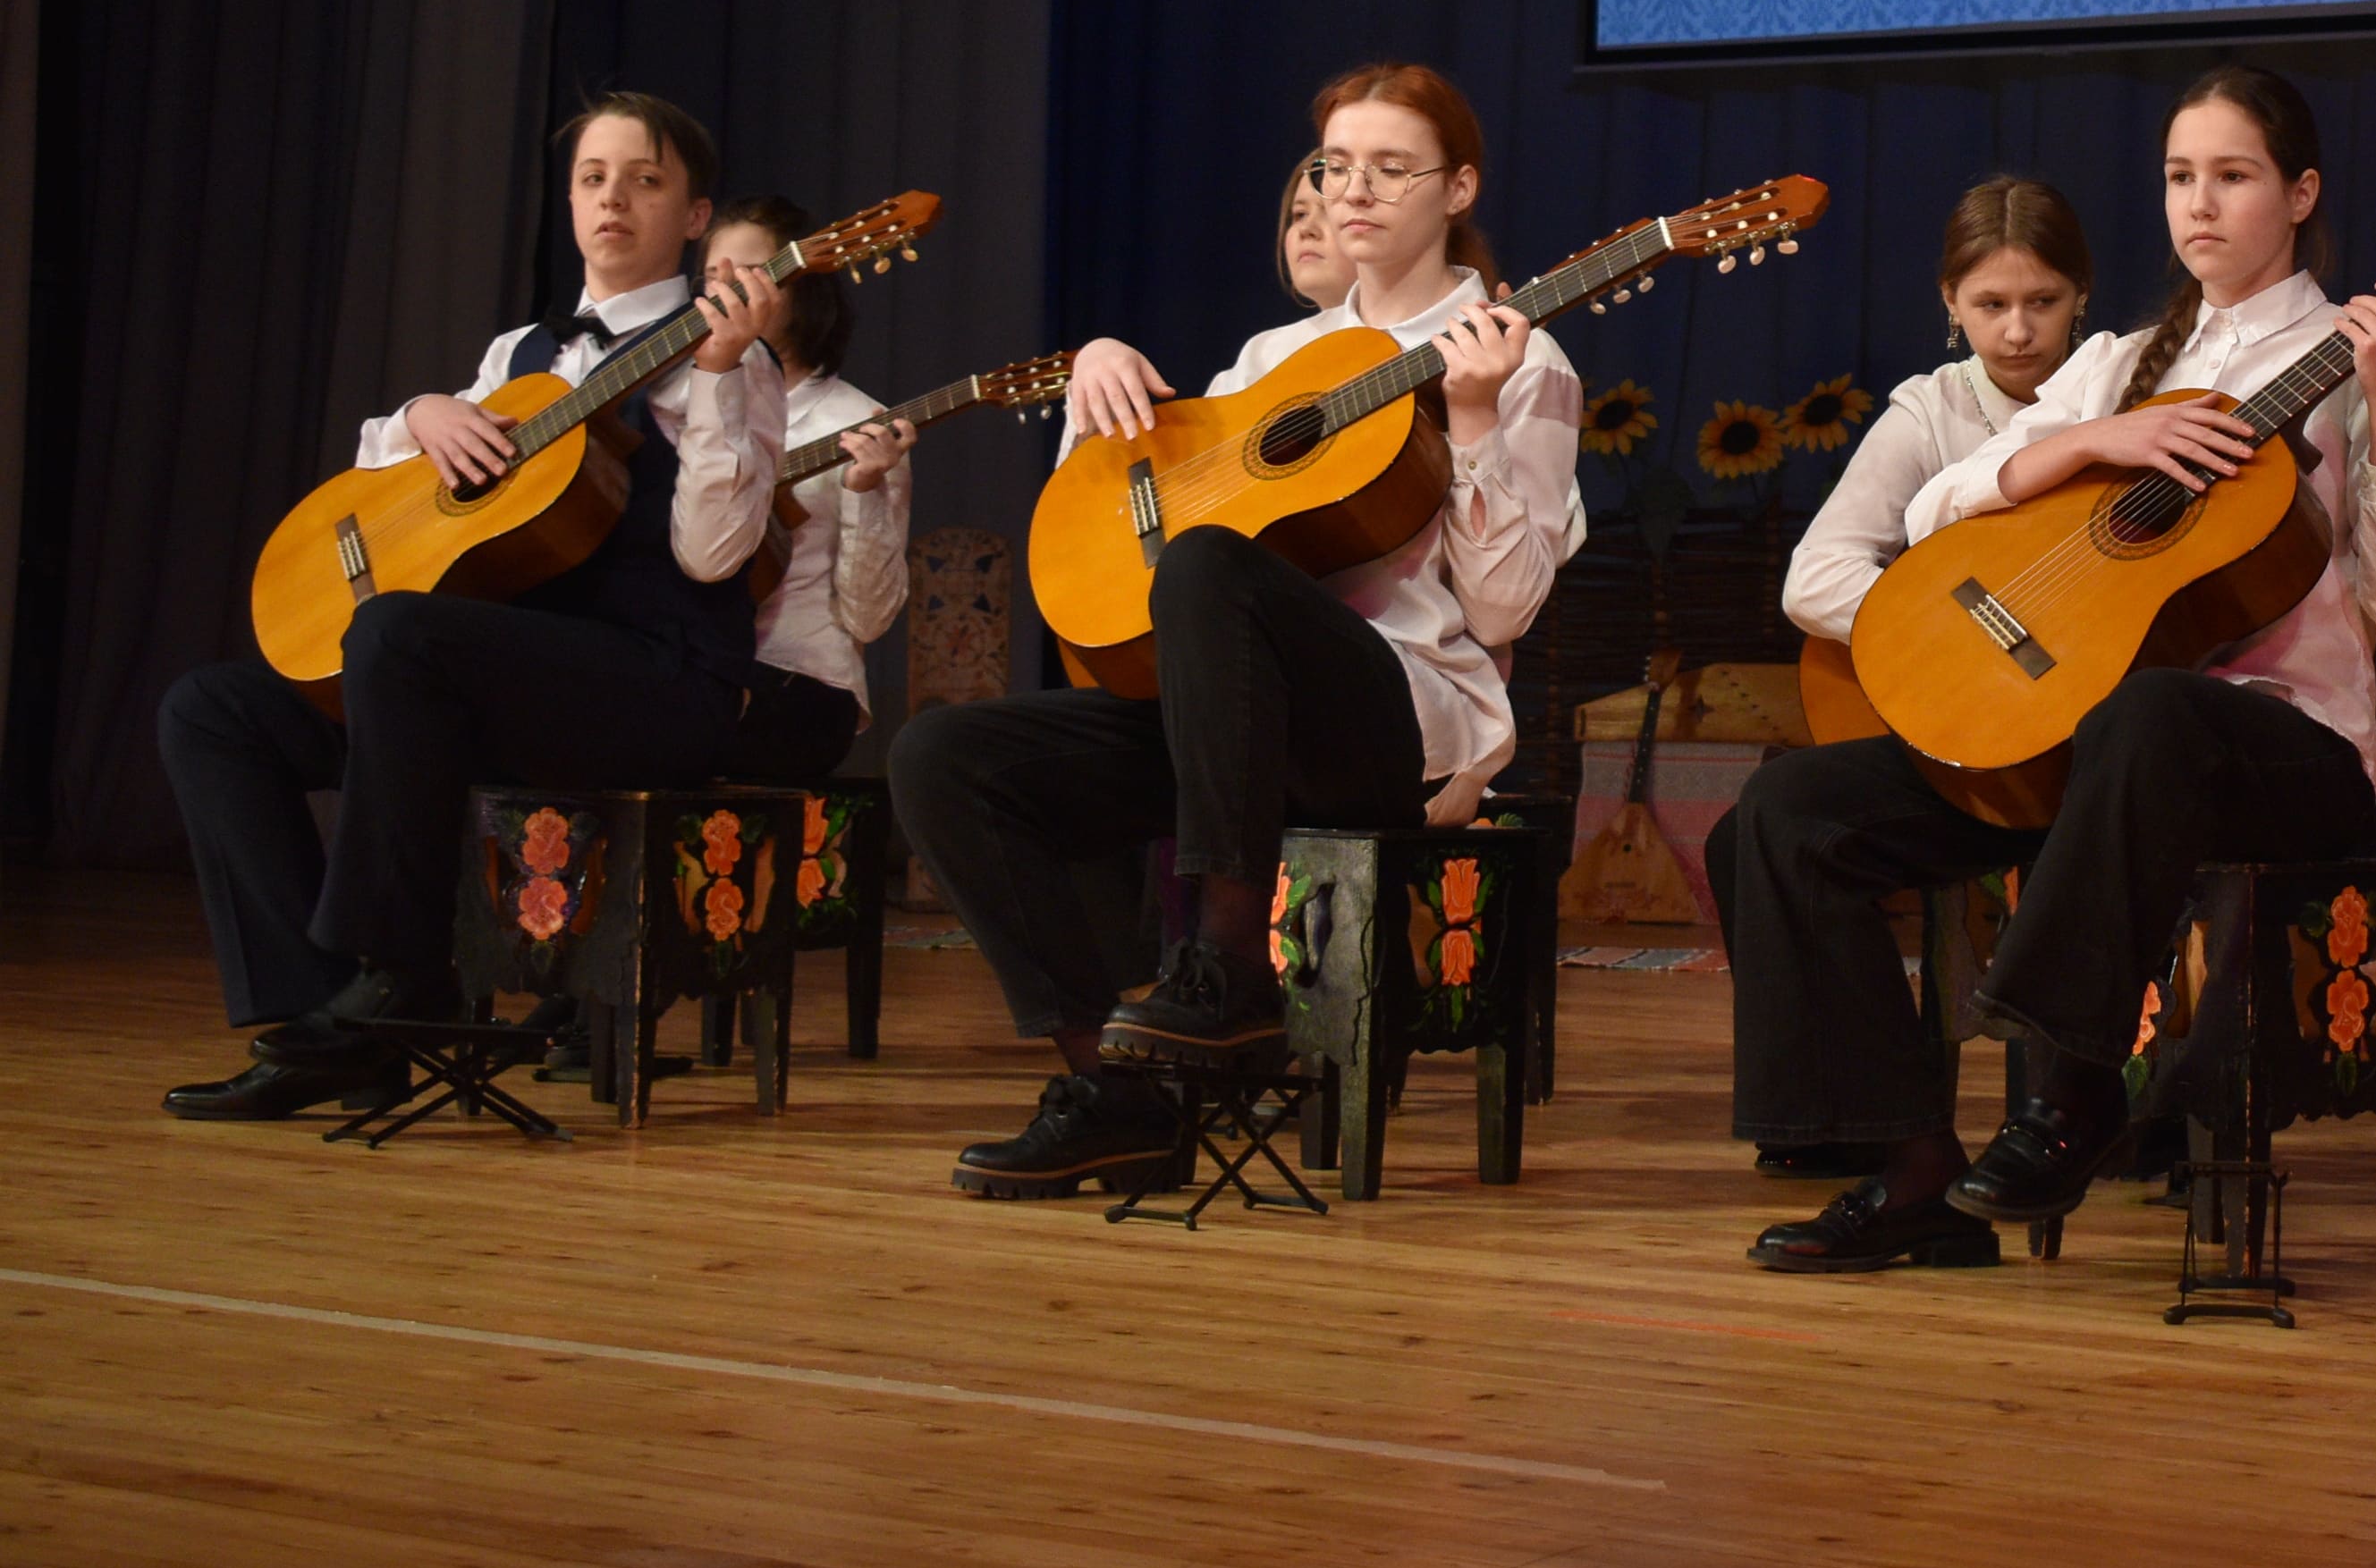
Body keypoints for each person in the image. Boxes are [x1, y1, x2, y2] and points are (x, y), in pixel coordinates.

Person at [1733, 65, 2376, 1276]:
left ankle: (2070, 1098)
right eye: (2181, 177)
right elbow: (1936, 511)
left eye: (2232, 176)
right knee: (1792, 811)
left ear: (2301, 192)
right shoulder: (2118, 359)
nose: (2200, 205)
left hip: (2289, 750)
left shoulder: (2353, 361)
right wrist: (2090, 439)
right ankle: (1908, 1168)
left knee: (2157, 707)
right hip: (2095, 753)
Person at [892, 63, 1583, 1200]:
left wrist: (1468, 420)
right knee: (946, 758)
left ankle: (1222, 967)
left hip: (1395, 725)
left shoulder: (1518, 357)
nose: (1352, 192)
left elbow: (1506, 609)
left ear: (1457, 186)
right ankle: (1118, 1097)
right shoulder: (1274, 362)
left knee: (1223, 568)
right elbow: (1157, 539)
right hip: (1233, 725)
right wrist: (1099, 391)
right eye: (1333, 167)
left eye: (1389, 169)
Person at [155, 93, 788, 1118]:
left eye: (645, 178)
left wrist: (714, 381)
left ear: (697, 216)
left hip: (657, 678)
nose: (612, 198)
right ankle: (331, 1017)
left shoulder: (733, 357)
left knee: (396, 631)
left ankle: (402, 978)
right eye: (592, 178)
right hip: (493, 681)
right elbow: (392, 474)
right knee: (212, 711)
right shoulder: (517, 355)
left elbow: (715, 561)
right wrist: (420, 413)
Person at [1719, 173, 2100, 1177]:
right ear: (1948, 305)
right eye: (1989, 306)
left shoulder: (2123, 394)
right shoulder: (1927, 414)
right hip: (1973, 739)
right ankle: (1848, 1124)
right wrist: (1957, 643)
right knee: (1754, 829)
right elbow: (1816, 579)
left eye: (2042, 303)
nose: (2017, 332)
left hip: (2090, 741)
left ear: (2082, 298)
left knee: (1769, 826)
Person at [708, 194, 917, 781]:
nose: (725, 295)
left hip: (798, 684)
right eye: (711, 279)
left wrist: (864, 491)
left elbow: (870, 620)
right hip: (691, 670)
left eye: (749, 277)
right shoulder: (682, 407)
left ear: (801, 290)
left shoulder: (858, 422)